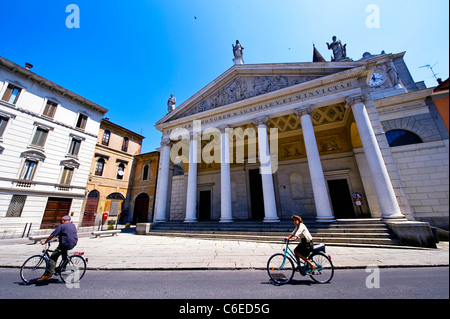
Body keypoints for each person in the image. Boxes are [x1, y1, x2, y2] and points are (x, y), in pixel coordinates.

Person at [38, 215, 78, 281]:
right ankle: (63, 266)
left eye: (61, 220)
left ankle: (49, 274)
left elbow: (52, 235)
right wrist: (59, 238)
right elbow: (68, 233)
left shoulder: (62, 226)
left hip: (64, 244)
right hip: (72, 243)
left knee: (53, 257)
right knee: (64, 255)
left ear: (63, 220)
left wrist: (45, 241)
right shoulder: (72, 225)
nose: (61, 221)